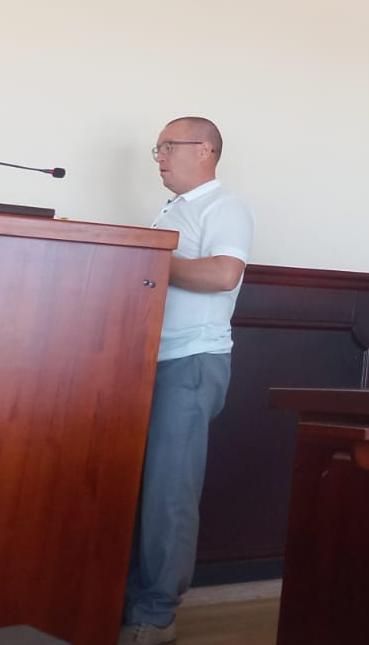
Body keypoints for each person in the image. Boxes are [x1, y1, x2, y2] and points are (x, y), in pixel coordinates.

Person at [121, 117, 254, 645]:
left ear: (204, 149)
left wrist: (150, 257)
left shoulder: (224, 206)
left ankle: (156, 616)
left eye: (166, 146)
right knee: (141, 488)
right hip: (148, 361)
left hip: (192, 361)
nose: (158, 156)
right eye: (157, 148)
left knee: (169, 491)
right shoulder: (173, 209)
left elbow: (224, 274)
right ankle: (128, 602)